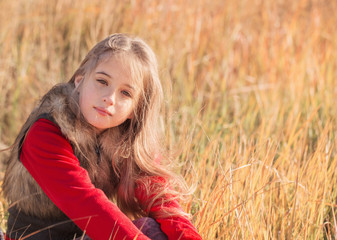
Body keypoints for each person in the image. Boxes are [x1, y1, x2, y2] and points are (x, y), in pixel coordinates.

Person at [2, 33, 202, 240]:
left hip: (87, 236)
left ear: (135, 109)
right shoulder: (45, 133)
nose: (109, 98)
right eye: (102, 81)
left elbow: (164, 203)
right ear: (79, 81)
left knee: (152, 229)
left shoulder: (126, 142)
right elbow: (88, 206)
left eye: (126, 93)